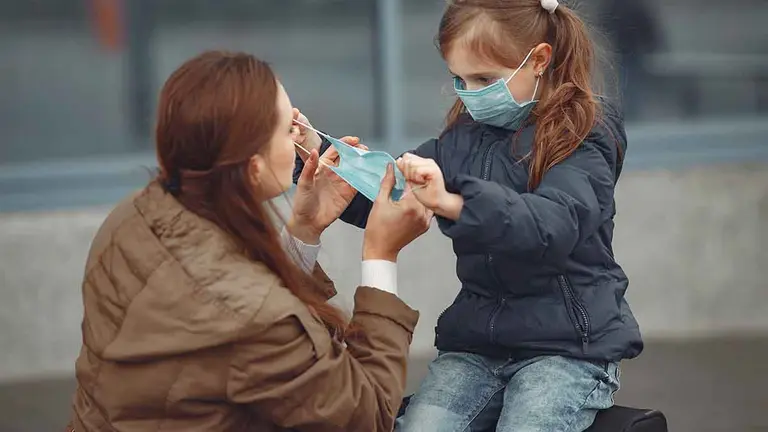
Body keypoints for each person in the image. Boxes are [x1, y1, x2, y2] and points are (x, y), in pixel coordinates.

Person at [294, 0, 643, 430]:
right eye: (459, 79)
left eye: (484, 79)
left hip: (568, 350)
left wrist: (456, 203)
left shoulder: (586, 134)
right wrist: (318, 155)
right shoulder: (461, 138)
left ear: (538, 60)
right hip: (477, 346)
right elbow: (391, 193)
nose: (470, 93)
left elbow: (553, 224)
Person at [68, 51, 433, 431]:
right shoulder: (252, 316)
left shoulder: (132, 216)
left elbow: (236, 323)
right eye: (288, 128)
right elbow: (364, 416)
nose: (301, 134)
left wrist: (303, 231)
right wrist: (380, 254)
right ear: (254, 167)